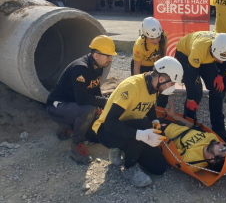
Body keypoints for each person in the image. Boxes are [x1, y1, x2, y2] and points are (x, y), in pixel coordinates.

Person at [92, 56, 183, 187]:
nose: (173, 87)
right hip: (107, 131)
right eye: (172, 83)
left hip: (128, 127)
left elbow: (148, 102)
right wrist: (141, 135)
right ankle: (129, 167)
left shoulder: (153, 84)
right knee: (144, 125)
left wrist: (155, 120)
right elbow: (110, 122)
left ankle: (127, 148)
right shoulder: (132, 87)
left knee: (159, 168)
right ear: (162, 79)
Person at [46, 35, 116, 164]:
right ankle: (76, 146)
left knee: (95, 135)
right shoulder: (81, 68)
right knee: (88, 110)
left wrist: (101, 107)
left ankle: (66, 126)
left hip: (72, 104)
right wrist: (104, 102)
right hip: (56, 106)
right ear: (96, 55)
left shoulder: (98, 66)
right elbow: (82, 99)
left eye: (111, 56)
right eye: (108, 56)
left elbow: (95, 89)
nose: (110, 59)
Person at [174, 31, 226, 145]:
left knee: (217, 88)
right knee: (196, 91)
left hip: (206, 56)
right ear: (212, 48)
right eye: (218, 58)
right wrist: (190, 99)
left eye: (223, 59)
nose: (221, 62)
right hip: (186, 54)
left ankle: (218, 128)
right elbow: (191, 78)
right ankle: (189, 123)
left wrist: (220, 76)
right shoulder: (198, 49)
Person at [160, 100, 226, 172]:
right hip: (171, 122)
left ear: (212, 159)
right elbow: (193, 127)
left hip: (161, 130)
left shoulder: (192, 160)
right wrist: (174, 116)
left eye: (221, 149)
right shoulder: (213, 139)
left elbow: (168, 150)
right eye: (225, 147)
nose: (221, 143)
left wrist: (158, 131)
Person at [131, 17, 168, 108]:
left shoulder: (163, 36)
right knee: (144, 90)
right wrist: (138, 84)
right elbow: (136, 68)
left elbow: (163, 56)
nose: (156, 40)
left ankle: (160, 109)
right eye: (152, 38)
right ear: (145, 36)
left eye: (158, 37)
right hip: (142, 66)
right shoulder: (140, 44)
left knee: (164, 86)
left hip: (156, 65)